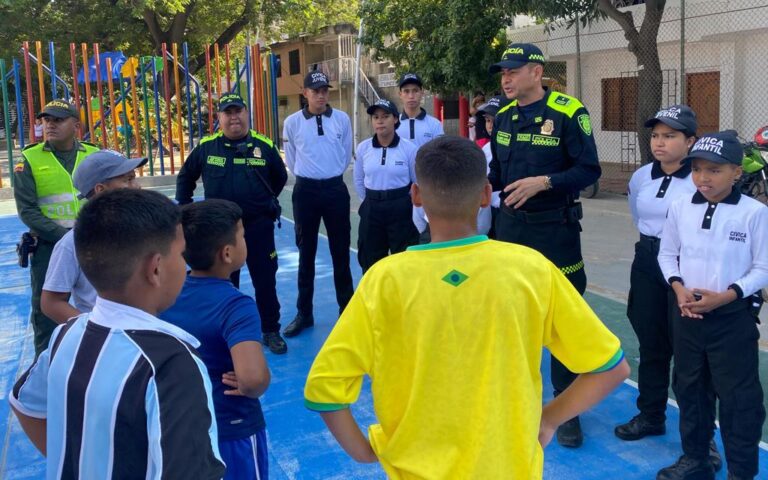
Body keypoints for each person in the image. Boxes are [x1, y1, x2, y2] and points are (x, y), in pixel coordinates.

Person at [304, 136, 629, 478]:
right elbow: (611, 368)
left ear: (416, 196)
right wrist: (548, 419)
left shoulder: (383, 280)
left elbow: (324, 388)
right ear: (487, 195)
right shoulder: (531, 269)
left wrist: (365, 453)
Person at [9, 189, 225, 479]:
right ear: (156, 268)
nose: (185, 266)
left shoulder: (66, 334)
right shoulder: (169, 364)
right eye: (180, 253)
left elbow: (24, 403)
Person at [488, 43, 601, 447]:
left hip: (555, 231)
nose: (506, 78)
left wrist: (546, 182)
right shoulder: (502, 116)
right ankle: (512, 397)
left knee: (561, 320)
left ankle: (565, 410)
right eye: (503, 72)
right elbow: (497, 173)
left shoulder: (569, 113)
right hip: (511, 232)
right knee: (511, 315)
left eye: (513, 71)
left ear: (536, 72)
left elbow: (589, 169)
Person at [616, 105, 723, 470]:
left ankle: (702, 441)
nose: (660, 143)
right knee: (651, 342)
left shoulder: (700, 181)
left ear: (690, 141)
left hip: (686, 268)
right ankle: (651, 415)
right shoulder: (642, 175)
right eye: (656, 135)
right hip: (647, 262)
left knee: (691, 356)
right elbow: (638, 215)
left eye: (670, 136)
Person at [657, 131, 768, 480]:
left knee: (739, 401)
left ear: (736, 172)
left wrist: (728, 295)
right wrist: (677, 287)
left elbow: (763, 267)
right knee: (689, 389)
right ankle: (697, 458)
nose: (703, 178)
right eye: (698, 169)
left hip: (731, 320)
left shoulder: (754, 213)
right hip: (688, 316)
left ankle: (741, 471)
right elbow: (667, 253)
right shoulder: (680, 207)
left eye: (715, 171)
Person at [160, 199, 271, 480]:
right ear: (227, 253)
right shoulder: (236, 306)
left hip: (183, 423)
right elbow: (253, 380)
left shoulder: (168, 292)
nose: (246, 240)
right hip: (232, 425)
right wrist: (256, 378)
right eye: (242, 235)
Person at [177, 93, 289, 355]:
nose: (234, 117)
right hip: (220, 231)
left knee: (265, 280)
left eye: (238, 111)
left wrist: (261, 203)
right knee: (223, 281)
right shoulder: (207, 147)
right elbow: (185, 178)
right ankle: (225, 332)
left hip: (258, 227)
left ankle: (270, 330)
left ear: (247, 113)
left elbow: (279, 177)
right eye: (228, 112)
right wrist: (185, 211)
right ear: (219, 118)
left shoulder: (264, 145)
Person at [13, 99, 100, 356]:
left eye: (58, 120)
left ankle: (99, 353)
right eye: (46, 119)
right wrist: (68, 240)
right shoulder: (29, 158)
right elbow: (27, 210)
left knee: (103, 301)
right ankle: (46, 361)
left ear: (76, 125)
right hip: (49, 247)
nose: (50, 125)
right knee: (46, 311)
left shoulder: (94, 155)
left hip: (96, 243)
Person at [282, 71, 354, 337]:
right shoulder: (292, 122)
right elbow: (291, 158)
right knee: (306, 253)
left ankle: (347, 310)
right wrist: (311, 175)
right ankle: (304, 313)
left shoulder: (342, 119)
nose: (321, 95)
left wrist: (330, 174)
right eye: (315, 91)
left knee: (340, 253)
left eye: (324, 90)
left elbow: (345, 153)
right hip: (306, 192)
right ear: (305, 93)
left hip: (335, 189)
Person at [41, 149, 146, 324]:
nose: (137, 186)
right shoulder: (73, 243)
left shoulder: (146, 229)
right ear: (101, 190)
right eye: (128, 179)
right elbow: (51, 302)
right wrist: (94, 330)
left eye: (134, 178)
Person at [353, 98, 419, 272]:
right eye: (376, 117)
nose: (380, 121)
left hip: (401, 208)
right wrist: (369, 201)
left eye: (385, 116)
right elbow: (359, 180)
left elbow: (416, 182)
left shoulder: (409, 149)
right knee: (370, 263)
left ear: (396, 119)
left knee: (403, 261)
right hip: (372, 208)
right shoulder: (363, 148)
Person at [396, 73, 444, 147]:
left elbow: (440, 153)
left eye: (415, 91)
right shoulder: (393, 124)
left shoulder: (434, 124)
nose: (411, 96)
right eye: (406, 91)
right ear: (400, 94)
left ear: (422, 93)